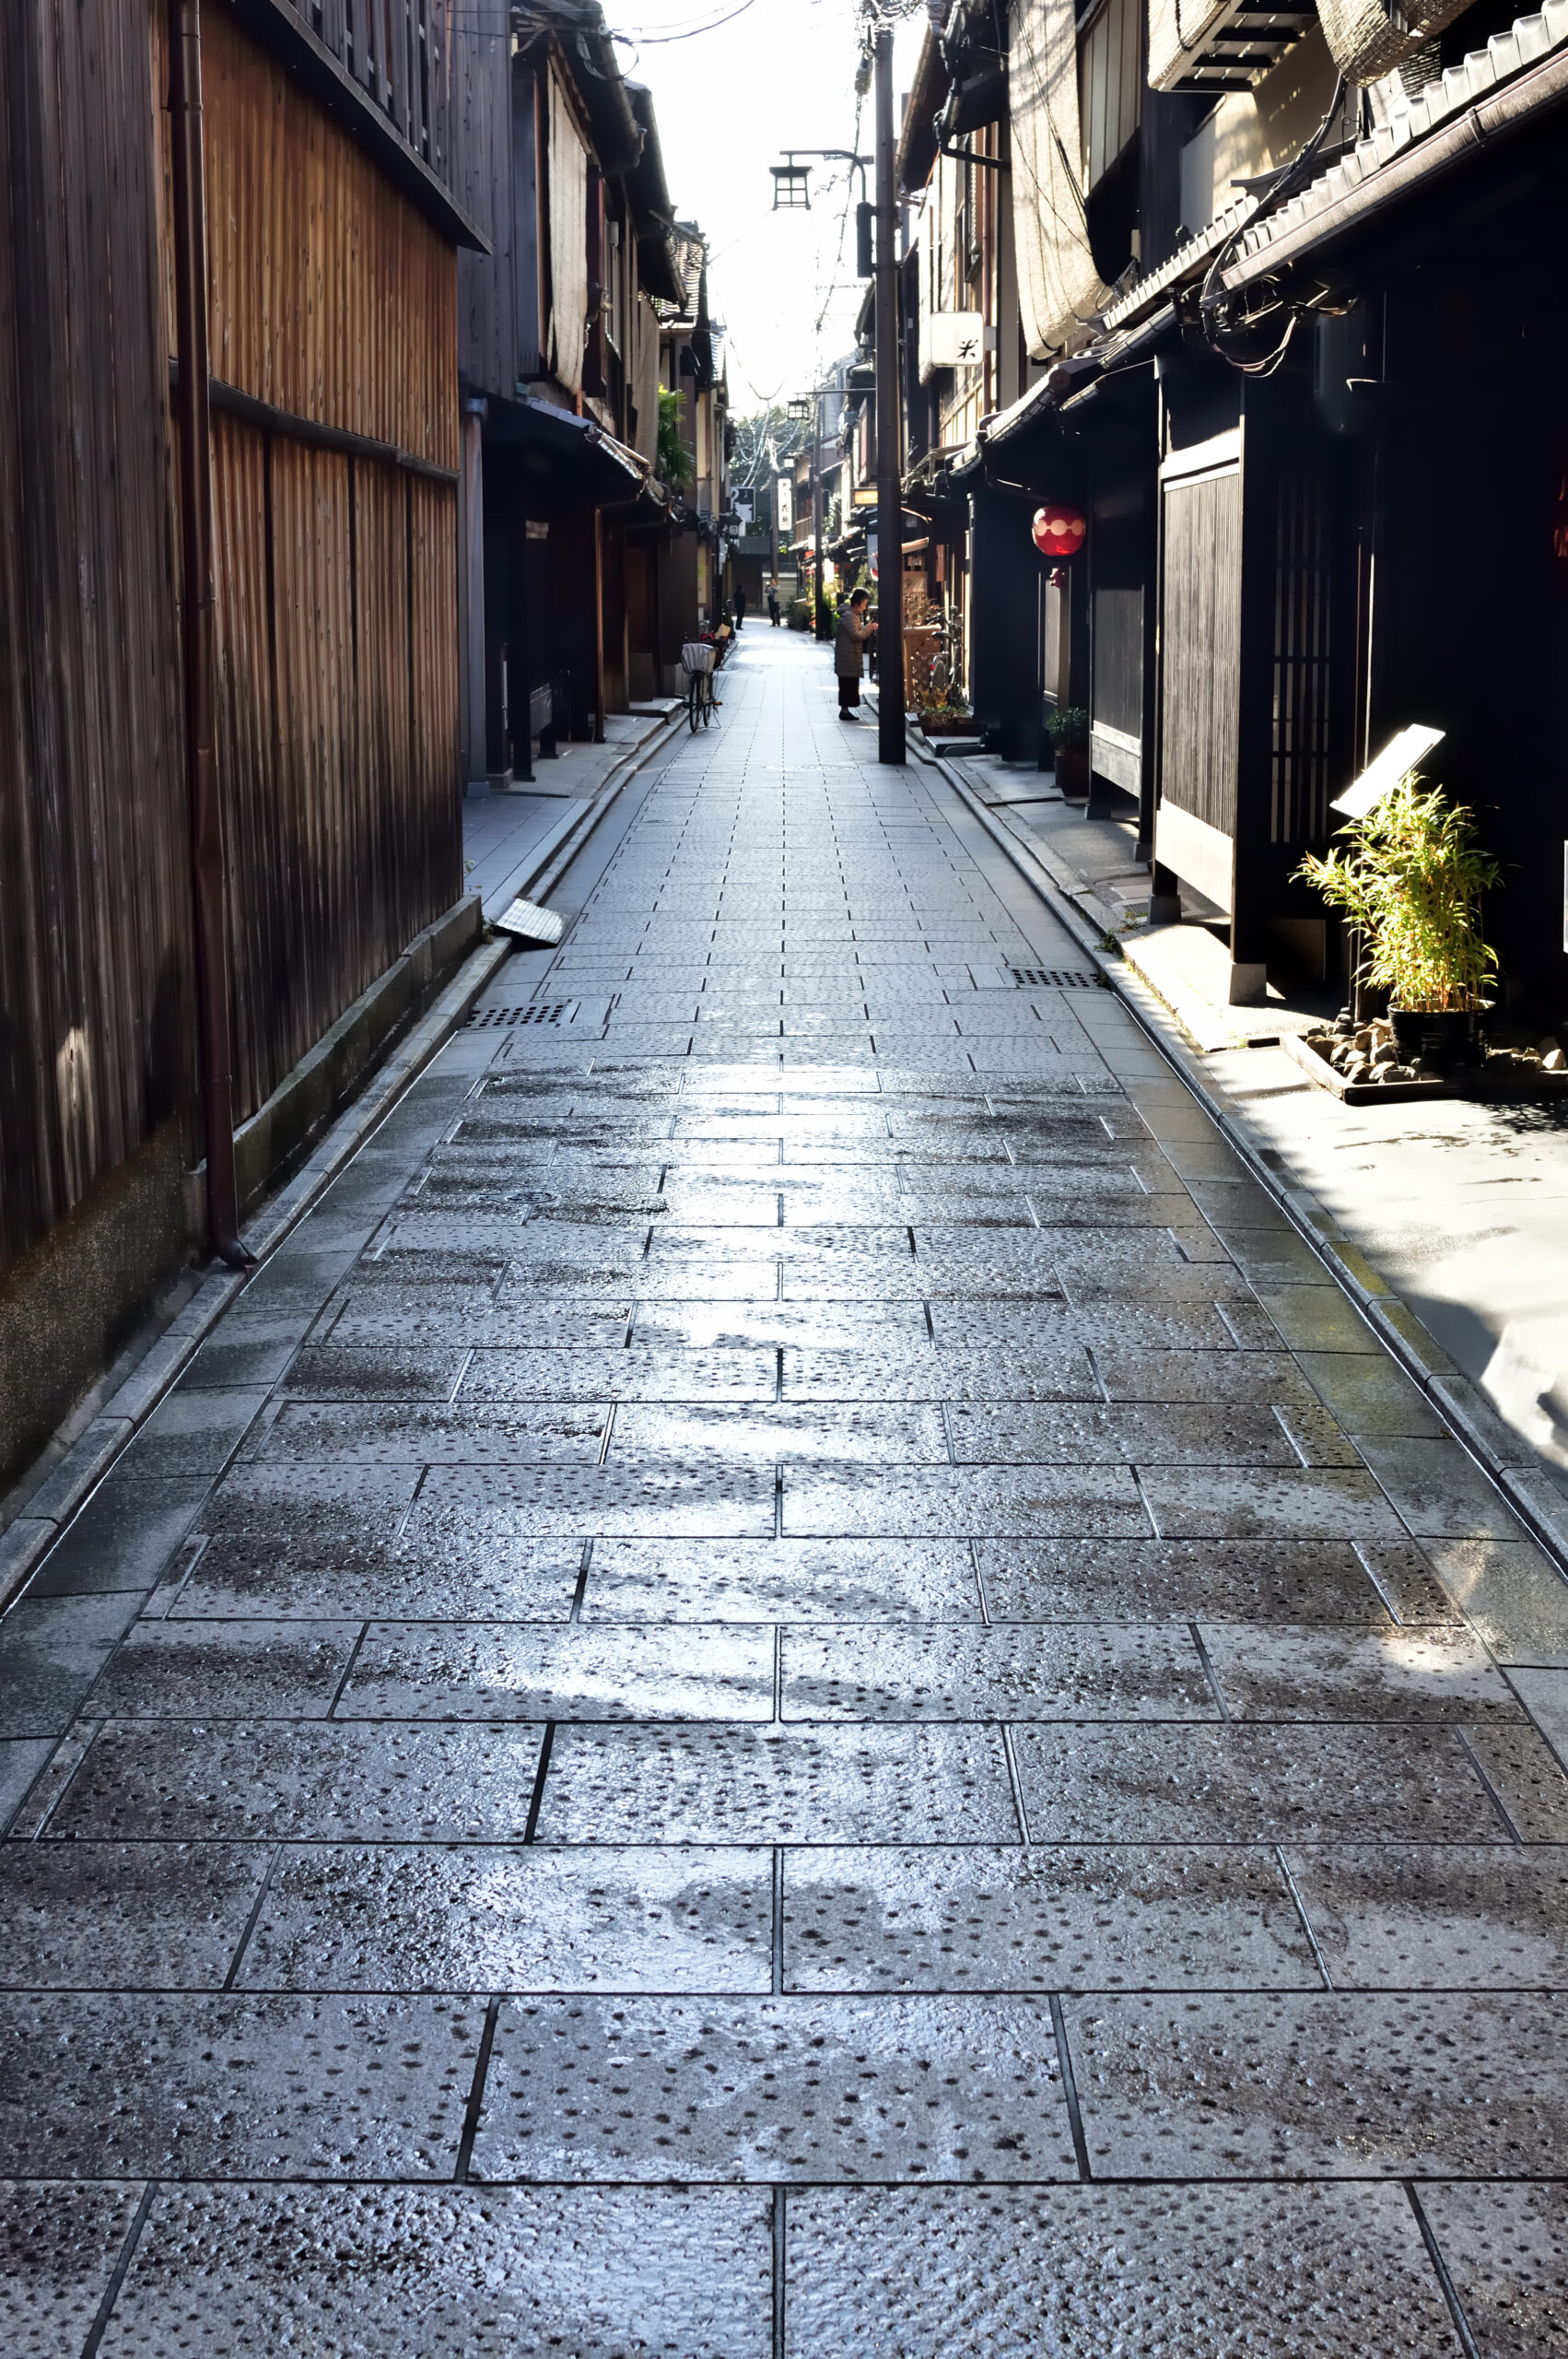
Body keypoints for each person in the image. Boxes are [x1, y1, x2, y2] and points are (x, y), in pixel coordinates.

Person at [834, 587, 875, 720]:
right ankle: (844, 712)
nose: (864, 607)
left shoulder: (849, 615)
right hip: (848, 659)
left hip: (847, 658)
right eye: (863, 604)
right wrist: (869, 628)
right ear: (856, 603)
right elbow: (856, 636)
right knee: (848, 686)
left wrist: (865, 628)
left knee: (847, 686)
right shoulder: (850, 616)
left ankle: (845, 711)